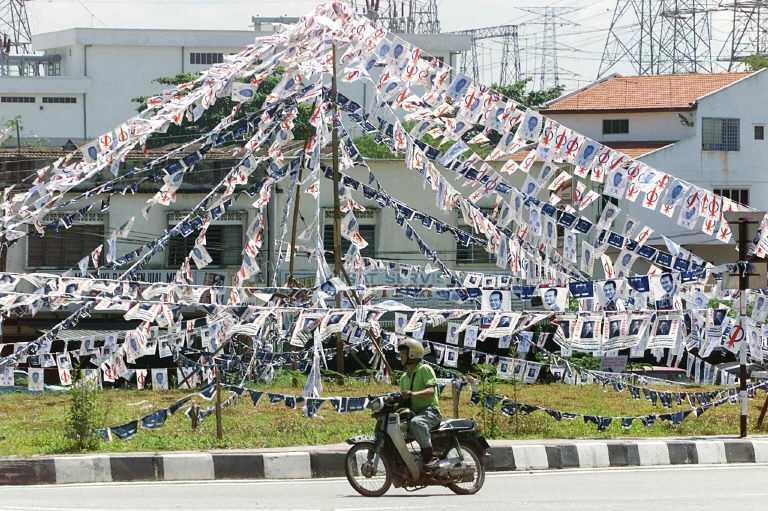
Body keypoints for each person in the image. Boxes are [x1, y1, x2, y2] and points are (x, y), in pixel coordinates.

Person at [398, 339, 442, 470]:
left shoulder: (425, 369)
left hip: (430, 411)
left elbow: (430, 391)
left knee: (416, 423)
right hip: (414, 413)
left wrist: (412, 394)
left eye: (403, 354)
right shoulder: (404, 377)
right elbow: (404, 398)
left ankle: (430, 458)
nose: (400, 357)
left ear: (412, 355)